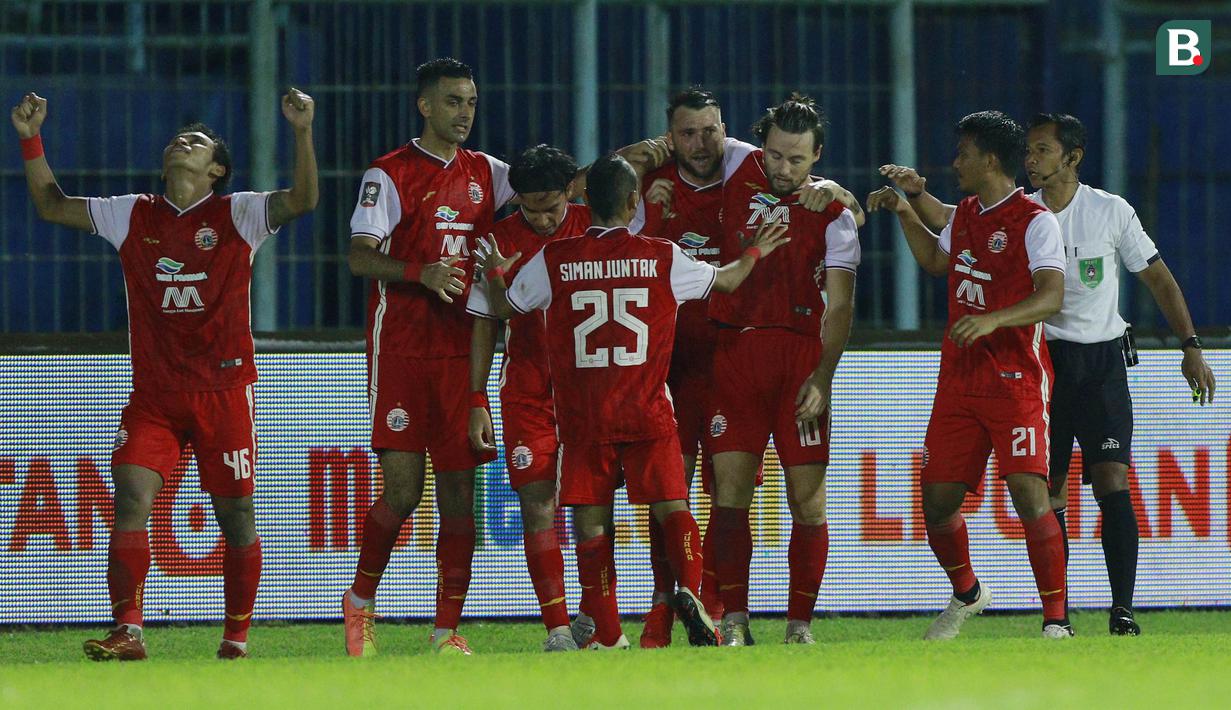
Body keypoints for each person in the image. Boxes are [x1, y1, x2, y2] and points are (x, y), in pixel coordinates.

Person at [879, 112, 1217, 635]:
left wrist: (1190, 343)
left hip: (1089, 361)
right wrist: (910, 203)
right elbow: (952, 223)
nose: (1031, 159)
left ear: (1071, 157)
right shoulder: (1009, 209)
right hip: (1037, 358)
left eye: (1041, 150)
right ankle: (1027, 607)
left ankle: (1108, 611)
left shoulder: (1101, 212)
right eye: (1029, 151)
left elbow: (1154, 278)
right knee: (1035, 491)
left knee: (1107, 479)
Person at [11, 88, 319, 660]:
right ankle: (129, 631)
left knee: (236, 516)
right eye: (179, 138)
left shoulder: (238, 214)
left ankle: (235, 637)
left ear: (216, 170)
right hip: (154, 393)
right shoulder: (134, 213)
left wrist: (301, 131)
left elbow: (303, 199)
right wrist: (31, 138)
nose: (182, 142)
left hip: (223, 392)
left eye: (197, 142)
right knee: (130, 495)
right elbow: (53, 206)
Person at [478, 153, 789, 649]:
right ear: (631, 201)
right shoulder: (662, 255)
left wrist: (495, 272)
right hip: (647, 408)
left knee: (590, 521)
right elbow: (727, 280)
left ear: (585, 201)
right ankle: (689, 590)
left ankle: (606, 632)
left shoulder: (555, 258)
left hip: (584, 417)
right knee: (672, 507)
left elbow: (504, 308)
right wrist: (754, 252)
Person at [867, 110, 1071, 639]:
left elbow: (1051, 296)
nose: (954, 162)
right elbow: (939, 263)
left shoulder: (1036, 220)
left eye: (962, 153)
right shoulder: (968, 213)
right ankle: (967, 593)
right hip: (959, 383)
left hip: (1016, 381)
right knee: (936, 503)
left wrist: (993, 319)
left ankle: (1055, 622)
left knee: (1031, 495)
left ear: (990, 160)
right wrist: (906, 209)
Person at [344, 57, 514, 657]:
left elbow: (556, 187)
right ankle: (360, 602)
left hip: (463, 354)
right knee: (402, 492)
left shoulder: (490, 174)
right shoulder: (387, 174)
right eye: (452, 101)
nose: (464, 112)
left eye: (470, 101)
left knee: (460, 496)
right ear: (425, 106)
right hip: (402, 354)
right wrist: (422, 272)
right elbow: (360, 257)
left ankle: (446, 631)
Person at [704, 94, 860, 647]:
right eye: (775, 156)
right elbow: (683, 141)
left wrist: (823, 376)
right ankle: (735, 619)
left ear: (818, 156)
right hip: (736, 357)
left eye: (797, 160)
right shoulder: (735, 164)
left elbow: (839, 307)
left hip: (799, 364)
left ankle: (799, 625)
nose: (783, 169)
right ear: (760, 148)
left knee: (807, 501)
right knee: (730, 496)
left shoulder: (834, 217)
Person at [466, 144, 591, 651]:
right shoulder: (496, 241)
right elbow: (484, 322)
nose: (540, 219)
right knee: (537, 505)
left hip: (589, 391)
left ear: (570, 193)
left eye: (551, 208)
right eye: (529, 209)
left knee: (590, 507)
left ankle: (592, 611)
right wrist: (476, 397)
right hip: (527, 391)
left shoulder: (594, 226)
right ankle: (557, 629)